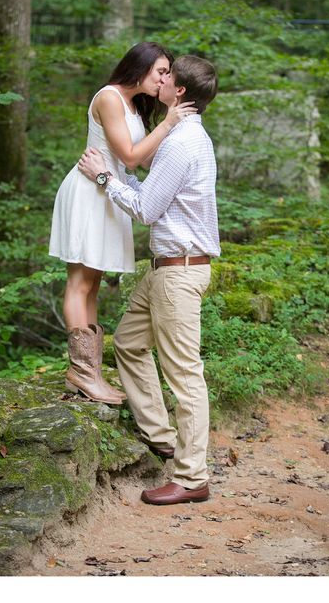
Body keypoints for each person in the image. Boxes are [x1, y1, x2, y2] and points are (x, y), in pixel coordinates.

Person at [78, 55, 220, 505]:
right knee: (130, 343)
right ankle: (162, 437)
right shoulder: (180, 135)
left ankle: (192, 477)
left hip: (180, 272)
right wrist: (118, 178)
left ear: (179, 92)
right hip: (165, 269)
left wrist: (103, 176)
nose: (160, 78)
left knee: (185, 375)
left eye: (167, 75)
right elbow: (153, 197)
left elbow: (144, 211)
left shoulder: (182, 143)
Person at [49, 42, 197, 406]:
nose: (165, 79)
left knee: (94, 283)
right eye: (161, 71)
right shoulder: (110, 97)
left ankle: (89, 372)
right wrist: (167, 124)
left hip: (108, 191)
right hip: (89, 191)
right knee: (79, 281)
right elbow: (130, 157)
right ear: (140, 66)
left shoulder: (133, 105)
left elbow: (137, 163)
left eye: (168, 73)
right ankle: (83, 373)